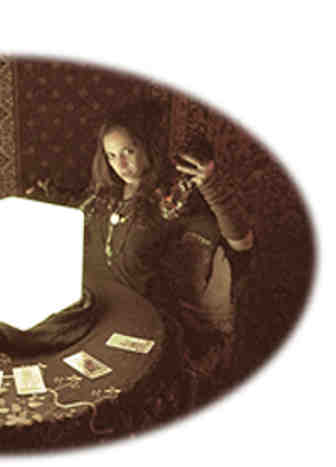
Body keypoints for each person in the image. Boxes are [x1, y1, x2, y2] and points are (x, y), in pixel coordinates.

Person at [86, 107, 254, 393]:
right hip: (105, 312)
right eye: (111, 155)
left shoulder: (171, 199)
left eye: (128, 151)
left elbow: (242, 242)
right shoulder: (104, 196)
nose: (120, 164)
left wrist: (210, 185)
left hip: (150, 322)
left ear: (147, 146)